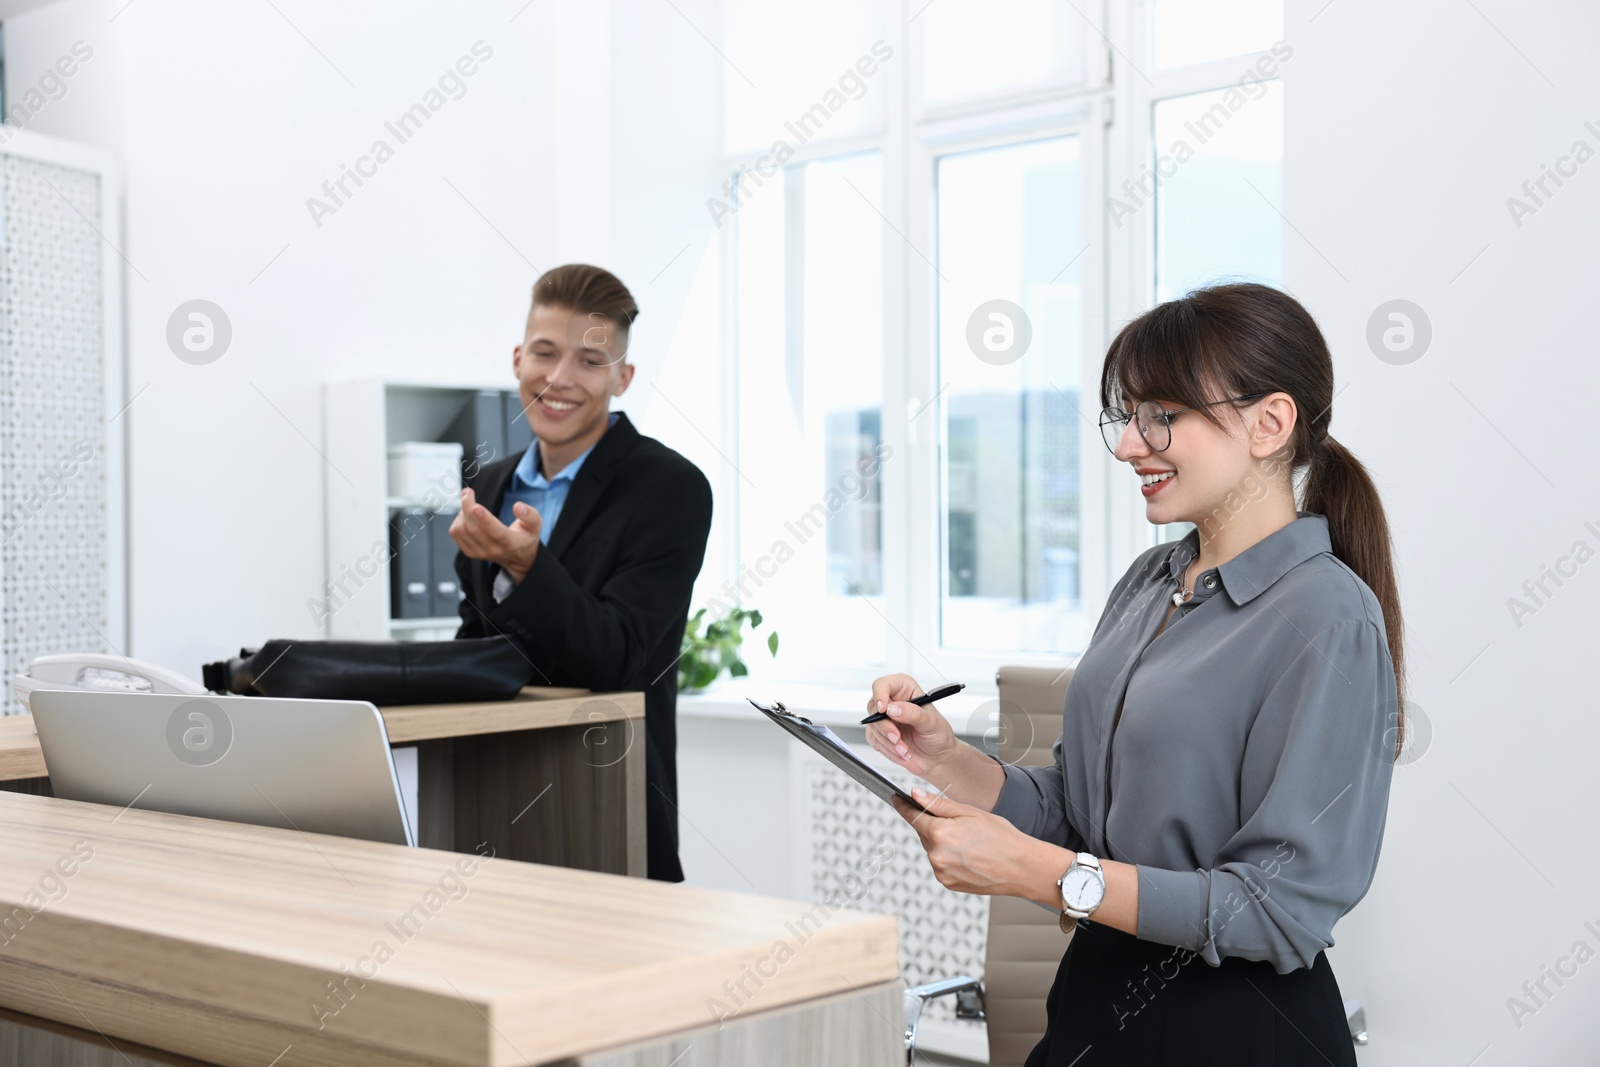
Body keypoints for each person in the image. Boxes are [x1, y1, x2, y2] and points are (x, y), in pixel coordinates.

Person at [867, 283, 1402, 1064]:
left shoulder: (1328, 617)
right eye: (1130, 416)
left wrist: (1047, 877)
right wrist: (944, 759)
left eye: (1165, 417)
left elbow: (1280, 907)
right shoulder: (1152, 581)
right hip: (1095, 1001)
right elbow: (1083, 815)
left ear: (1270, 423)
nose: (1129, 446)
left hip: (1235, 1031)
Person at [450, 263, 713, 882]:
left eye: (590, 361)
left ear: (622, 377)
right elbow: (477, 647)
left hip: (607, 805)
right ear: (518, 359)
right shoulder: (488, 485)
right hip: (487, 800)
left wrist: (526, 565)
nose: (560, 378)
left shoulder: (669, 489)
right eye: (545, 352)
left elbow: (617, 659)